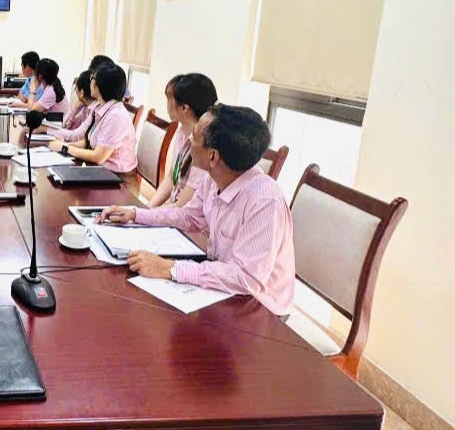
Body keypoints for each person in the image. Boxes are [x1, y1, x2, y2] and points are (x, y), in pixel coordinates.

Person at [97, 104, 295, 317]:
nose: (190, 139)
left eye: (195, 135)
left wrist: (169, 268)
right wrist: (136, 215)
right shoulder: (215, 177)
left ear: (213, 156)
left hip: (260, 307)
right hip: (221, 282)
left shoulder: (265, 200)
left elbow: (247, 278)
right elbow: (189, 216)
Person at [48, 63, 137, 173]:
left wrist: (65, 148)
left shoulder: (116, 116)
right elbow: (88, 142)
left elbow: (98, 157)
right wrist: (64, 145)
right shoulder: (101, 107)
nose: (90, 81)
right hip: (100, 169)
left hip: (117, 176)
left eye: (92, 78)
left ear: (100, 85)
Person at [147, 73, 218, 208]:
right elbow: (171, 178)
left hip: (186, 215)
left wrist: (145, 214)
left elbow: (184, 205)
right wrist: (147, 208)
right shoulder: (182, 132)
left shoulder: (205, 145)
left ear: (184, 108)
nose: (167, 104)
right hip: (173, 208)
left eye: (169, 100)